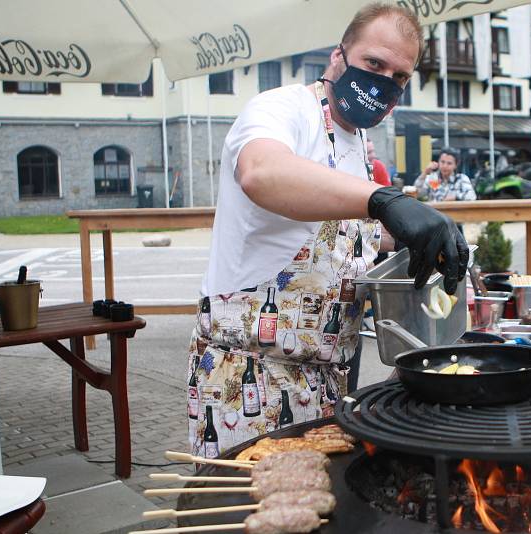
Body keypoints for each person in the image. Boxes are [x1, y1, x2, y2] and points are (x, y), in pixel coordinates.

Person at [187, 3, 468, 457]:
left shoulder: (356, 143)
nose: (384, 83)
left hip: (327, 381)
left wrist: (425, 237)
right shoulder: (282, 108)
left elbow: (341, 234)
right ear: (339, 57)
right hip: (249, 375)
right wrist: (383, 199)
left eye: (399, 77)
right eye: (374, 64)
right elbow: (261, 173)